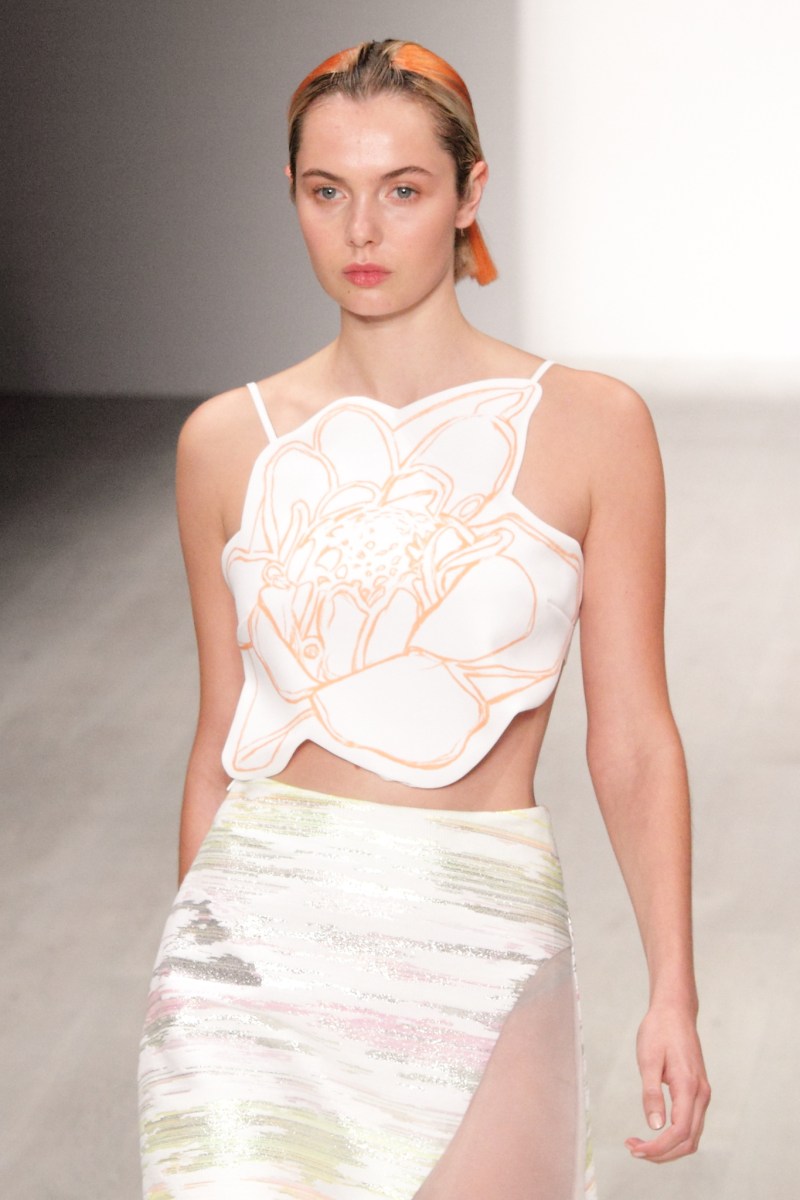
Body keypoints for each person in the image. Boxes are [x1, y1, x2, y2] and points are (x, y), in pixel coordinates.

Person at [138, 37, 710, 1199]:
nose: (361, 230)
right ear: (291, 196)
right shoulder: (225, 442)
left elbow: (632, 738)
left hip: (477, 921)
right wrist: (200, 967)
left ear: (467, 192)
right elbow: (220, 742)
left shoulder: (591, 427)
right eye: (326, 191)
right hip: (249, 953)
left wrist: (672, 990)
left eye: (401, 190)